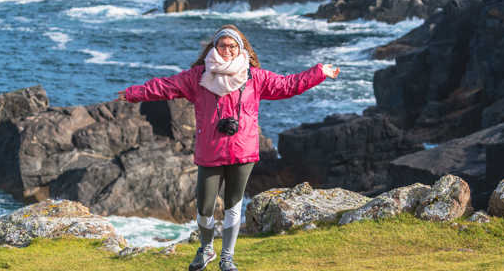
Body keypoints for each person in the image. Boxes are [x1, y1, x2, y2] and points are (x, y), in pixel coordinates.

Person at [117, 24, 339, 271]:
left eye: (232, 46)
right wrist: (133, 93)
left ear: (240, 47)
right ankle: (207, 248)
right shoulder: (198, 77)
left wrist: (319, 72)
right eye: (222, 45)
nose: (227, 50)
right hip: (210, 150)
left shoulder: (255, 77)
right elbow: (165, 86)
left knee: (234, 206)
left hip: (243, 151)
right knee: (204, 208)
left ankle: (227, 257)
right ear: (214, 47)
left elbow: (289, 85)